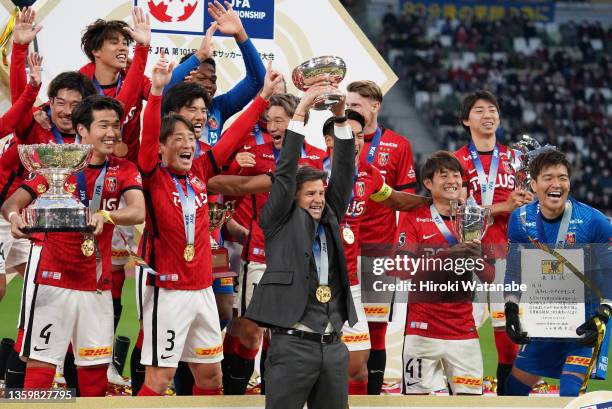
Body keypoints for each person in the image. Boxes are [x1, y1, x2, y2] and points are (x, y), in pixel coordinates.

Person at [135, 53, 281, 397]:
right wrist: (156, 91)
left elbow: (234, 135)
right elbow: (147, 136)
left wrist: (262, 100)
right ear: (161, 148)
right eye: (179, 140)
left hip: (202, 288)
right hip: (168, 291)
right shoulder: (153, 175)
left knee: (211, 379)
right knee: (159, 380)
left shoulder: (201, 171)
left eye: (191, 139)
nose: (188, 144)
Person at [1, 95, 145, 396]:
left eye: (115, 126)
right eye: (103, 125)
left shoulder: (124, 169)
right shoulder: (58, 163)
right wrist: (15, 217)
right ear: (81, 129)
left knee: (94, 369)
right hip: (52, 278)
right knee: (42, 362)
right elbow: (15, 200)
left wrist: (107, 214)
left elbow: (137, 210)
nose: (111, 133)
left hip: (96, 283)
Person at [244, 84, 357, 409]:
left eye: (321, 192)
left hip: (334, 346)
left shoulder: (330, 214)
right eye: (310, 194)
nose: (318, 199)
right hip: (293, 347)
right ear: (292, 197)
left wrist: (339, 117)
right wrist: (300, 112)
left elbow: (345, 169)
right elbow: (283, 172)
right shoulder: (277, 219)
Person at [221, 92, 326, 395]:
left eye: (279, 120)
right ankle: (233, 397)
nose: (272, 126)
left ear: (298, 119)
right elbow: (224, 197)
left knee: (284, 335)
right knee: (250, 331)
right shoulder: (253, 153)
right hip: (260, 257)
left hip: (302, 260)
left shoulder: (318, 157)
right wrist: (238, 168)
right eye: (269, 121)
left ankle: (273, 397)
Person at [322, 111, 429, 395]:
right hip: (315, 281)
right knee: (310, 361)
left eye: (359, 136)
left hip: (351, 281)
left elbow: (394, 199)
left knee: (357, 363)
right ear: (328, 141)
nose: (354, 141)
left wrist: (435, 202)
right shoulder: (311, 172)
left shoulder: (369, 175)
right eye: (346, 136)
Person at [503, 150, 612, 397]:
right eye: (548, 177)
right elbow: (513, 269)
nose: (556, 184)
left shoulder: (594, 221)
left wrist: (603, 314)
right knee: (513, 391)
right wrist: (510, 308)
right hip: (546, 317)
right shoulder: (520, 220)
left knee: (570, 391)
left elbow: (610, 272)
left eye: (562, 178)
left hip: (587, 321)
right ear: (533, 184)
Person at [453, 90, 533, 394]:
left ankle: (506, 400)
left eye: (492, 110)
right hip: (470, 257)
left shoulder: (516, 160)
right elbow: (453, 211)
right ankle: (462, 397)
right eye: (479, 111)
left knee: (508, 334)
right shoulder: (456, 161)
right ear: (465, 120)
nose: (488, 115)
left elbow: (529, 206)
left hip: (508, 255)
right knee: (462, 332)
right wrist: (502, 207)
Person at [396, 151, 495, 395]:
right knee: (416, 402)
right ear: (428, 183)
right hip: (422, 330)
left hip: (463, 330)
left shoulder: (474, 218)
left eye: (456, 175)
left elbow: (489, 276)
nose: (452, 180)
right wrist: (448, 255)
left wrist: (477, 259)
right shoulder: (415, 218)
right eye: (444, 175)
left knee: (470, 402)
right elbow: (400, 268)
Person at [346, 80, 417, 395]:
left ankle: (371, 397)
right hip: (343, 251)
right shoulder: (338, 140)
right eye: (348, 105)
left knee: (375, 330)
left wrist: (400, 247)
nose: (350, 110)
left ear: (375, 106)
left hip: (378, 249)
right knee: (343, 327)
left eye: (357, 105)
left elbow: (408, 199)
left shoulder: (398, 145)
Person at [179, 0, 266, 146]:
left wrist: (240, 34)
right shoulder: (167, 104)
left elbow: (257, 79)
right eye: (201, 78)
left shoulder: (219, 107)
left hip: (208, 169)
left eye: (213, 80)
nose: (208, 85)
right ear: (185, 78)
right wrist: (201, 55)